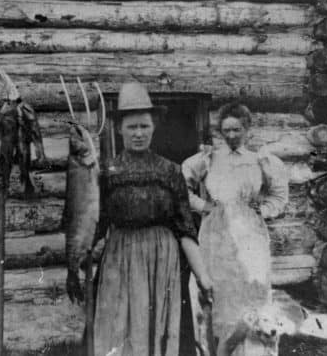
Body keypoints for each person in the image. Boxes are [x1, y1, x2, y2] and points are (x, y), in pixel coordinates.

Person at [93, 82, 212, 356]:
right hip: (120, 258)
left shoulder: (170, 171)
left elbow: (184, 229)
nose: (138, 133)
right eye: (132, 127)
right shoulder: (106, 172)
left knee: (163, 331)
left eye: (144, 126)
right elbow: (94, 225)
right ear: (119, 128)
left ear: (154, 127)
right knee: (118, 329)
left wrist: (203, 277)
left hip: (163, 260)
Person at [182, 102, 288, 355]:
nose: (230, 135)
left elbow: (280, 196)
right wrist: (203, 205)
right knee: (217, 292)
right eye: (226, 130)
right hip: (216, 234)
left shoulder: (260, 161)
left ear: (247, 129)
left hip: (250, 234)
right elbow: (179, 185)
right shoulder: (208, 158)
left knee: (251, 290)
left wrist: (262, 210)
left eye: (236, 130)